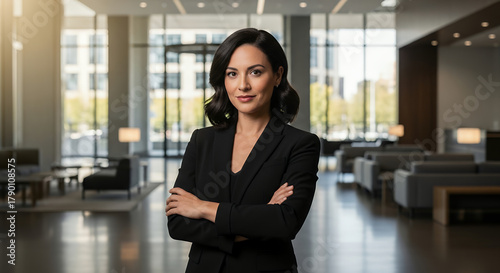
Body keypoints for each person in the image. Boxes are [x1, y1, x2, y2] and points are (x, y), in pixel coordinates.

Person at [166, 28, 320, 273]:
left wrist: (204, 208)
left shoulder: (301, 144)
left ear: (278, 75)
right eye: (232, 74)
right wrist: (260, 219)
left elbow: (285, 222)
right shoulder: (202, 140)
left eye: (255, 72)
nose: (243, 85)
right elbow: (178, 223)